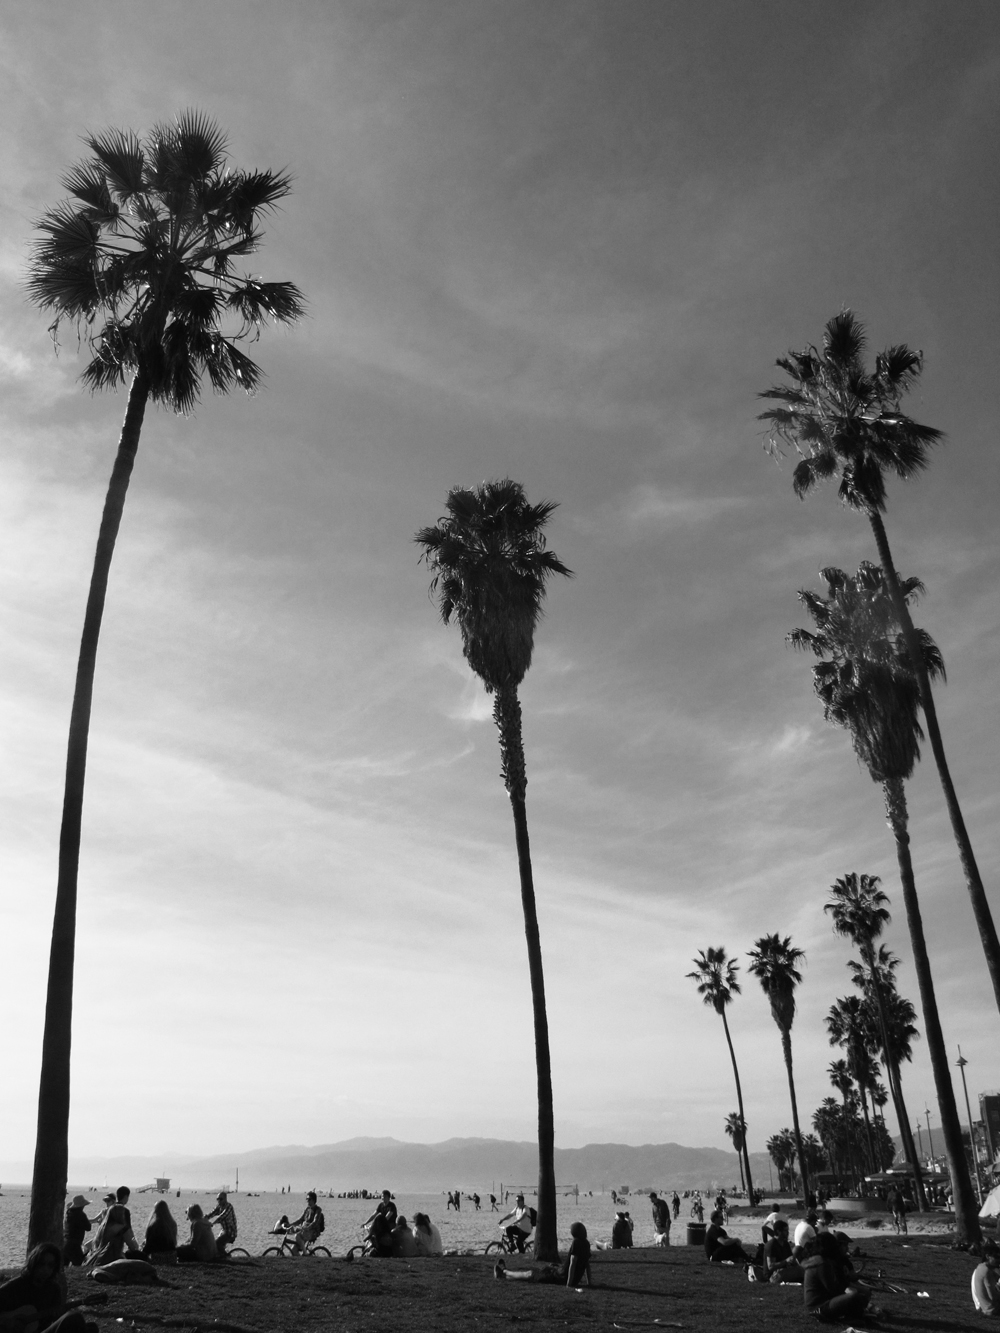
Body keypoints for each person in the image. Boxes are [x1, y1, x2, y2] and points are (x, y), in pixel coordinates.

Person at [0, 1243, 97, 1333]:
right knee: (75, 1317)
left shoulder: (53, 1289)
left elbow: (55, 1322)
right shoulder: (15, 1286)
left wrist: (58, 1316)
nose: (45, 1270)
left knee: (91, 1327)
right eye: (42, 1264)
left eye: (50, 1265)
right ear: (33, 1263)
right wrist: (8, 1323)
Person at [802, 1230, 871, 1321]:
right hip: (819, 1307)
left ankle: (855, 1315)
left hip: (820, 1303)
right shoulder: (821, 1263)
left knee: (857, 1296)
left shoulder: (820, 1260)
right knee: (854, 1296)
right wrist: (850, 1293)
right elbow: (833, 1289)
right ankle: (854, 1317)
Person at [89, 1189, 139, 1267]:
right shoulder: (121, 1228)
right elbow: (132, 1246)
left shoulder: (102, 1227)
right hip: (113, 1258)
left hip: (99, 1257)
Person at [764, 1219, 804, 1284]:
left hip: (783, 1270)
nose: (787, 1232)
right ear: (778, 1231)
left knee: (802, 1269)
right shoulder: (771, 1245)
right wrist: (785, 1261)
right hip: (773, 1276)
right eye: (785, 1230)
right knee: (800, 1272)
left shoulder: (785, 1243)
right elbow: (770, 1266)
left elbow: (789, 1259)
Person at [63, 1195, 93, 1267]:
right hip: (75, 1245)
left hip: (65, 1243)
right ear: (82, 1206)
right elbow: (88, 1228)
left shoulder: (68, 1214)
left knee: (64, 1266)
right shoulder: (81, 1215)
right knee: (78, 1265)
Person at [364, 1190, 397, 1256]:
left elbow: (386, 1218)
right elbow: (374, 1215)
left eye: (385, 1197)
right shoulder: (381, 1205)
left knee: (376, 1227)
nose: (383, 1198)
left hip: (390, 1224)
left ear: (388, 1197)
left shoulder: (392, 1206)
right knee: (371, 1227)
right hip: (381, 1224)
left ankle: (371, 1238)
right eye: (382, 1197)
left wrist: (377, 1225)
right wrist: (366, 1223)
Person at [205, 1191, 238, 1257]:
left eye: (221, 1199)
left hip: (230, 1232)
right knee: (215, 1244)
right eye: (217, 1199)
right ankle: (222, 1255)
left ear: (225, 1199)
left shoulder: (229, 1207)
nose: (219, 1201)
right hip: (223, 1231)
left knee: (217, 1244)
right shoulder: (219, 1207)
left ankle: (227, 1258)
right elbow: (211, 1214)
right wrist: (202, 1219)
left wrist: (212, 1223)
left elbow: (222, 1216)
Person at [972, 1241, 1000, 1316]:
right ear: (988, 1256)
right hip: (992, 1309)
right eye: (996, 1257)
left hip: (986, 1308)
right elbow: (992, 1296)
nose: (999, 1260)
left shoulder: (980, 1267)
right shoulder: (986, 1271)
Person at [565, 1221, 592, 1287]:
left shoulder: (576, 1242)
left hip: (565, 1276)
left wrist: (568, 1284)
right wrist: (589, 1282)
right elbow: (587, 1265)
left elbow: (572, 1264)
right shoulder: (586, 1243)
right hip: (577, 1278)